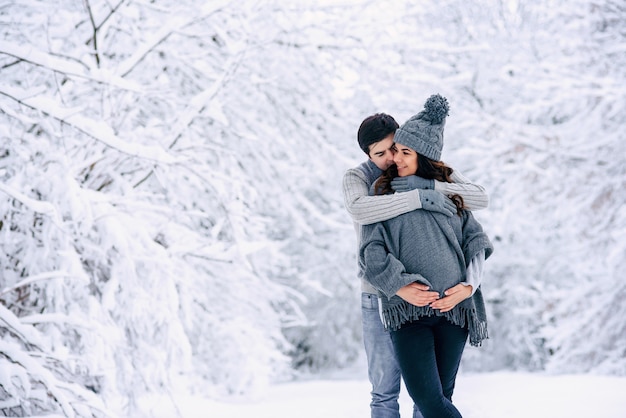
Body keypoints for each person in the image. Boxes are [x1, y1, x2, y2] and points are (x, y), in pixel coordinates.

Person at [342, 107, 489, 418]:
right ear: (368, 155)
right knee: (385, 391)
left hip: (444, 305)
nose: (391, 158)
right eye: (380, 153)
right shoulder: (363, 179)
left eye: (397, 148)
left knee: (431, 397)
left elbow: (476, 200)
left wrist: (432, 188)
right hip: (382, 296)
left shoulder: (432, 174)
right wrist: (419, 197)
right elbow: (361, 213)